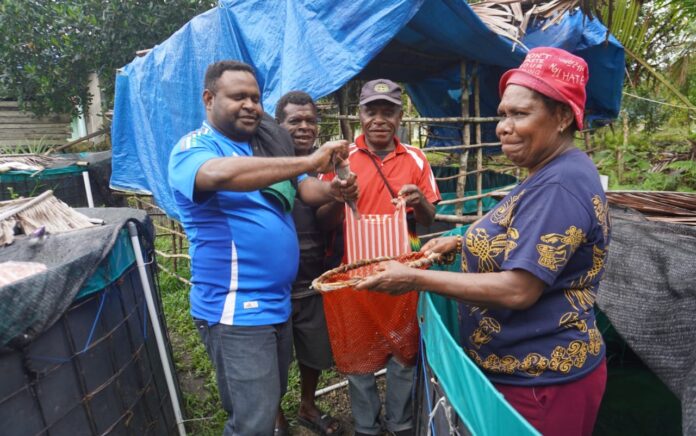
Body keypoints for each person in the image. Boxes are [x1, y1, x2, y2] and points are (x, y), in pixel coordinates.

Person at [356, 47, 610, 436]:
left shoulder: (560, 184)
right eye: (503, 114)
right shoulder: (547, 171)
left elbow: (518, 290)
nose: (503, 127)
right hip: (522, 369)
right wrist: (459, 243)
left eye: (520, 114)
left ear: (562, 117)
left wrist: (415, 279)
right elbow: (519, 231)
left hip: (543, 381)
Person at [168, 60, 357, 436]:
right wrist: (307, 159)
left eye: (255, 97)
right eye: (239, 96)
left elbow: (305, 187)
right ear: (209, 99)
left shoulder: (265, 149)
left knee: (266, 401)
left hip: (276, 303)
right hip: (235, 308)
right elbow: (221, 175)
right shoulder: (194, 148)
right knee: (253, 423)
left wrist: (334, 189)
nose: (251, 105)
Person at [318, 79, 441, 436]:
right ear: (360, 114)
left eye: (388, 112)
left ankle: (400, 423)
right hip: (354, 277)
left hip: (404, 275)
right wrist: (337, 196)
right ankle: (367, 427)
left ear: (401, 116)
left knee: (404, 354)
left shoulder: (416, 159)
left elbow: (430, 219)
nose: (379, 119)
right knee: (358, 358)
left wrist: (419, 201)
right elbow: (323, 219)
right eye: (372, 111)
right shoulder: (343, 161)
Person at [273, 91, 342, 436]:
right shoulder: (267, 165)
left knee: (313, 352)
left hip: (312, 278)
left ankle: (307, 405)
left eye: (310, 121)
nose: (304, 127)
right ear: (278, 125)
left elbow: (324, 222)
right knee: (273, 358)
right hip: (275, 286)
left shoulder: (322, 170)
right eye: (294, 121)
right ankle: (275, 416)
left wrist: (340, 197)